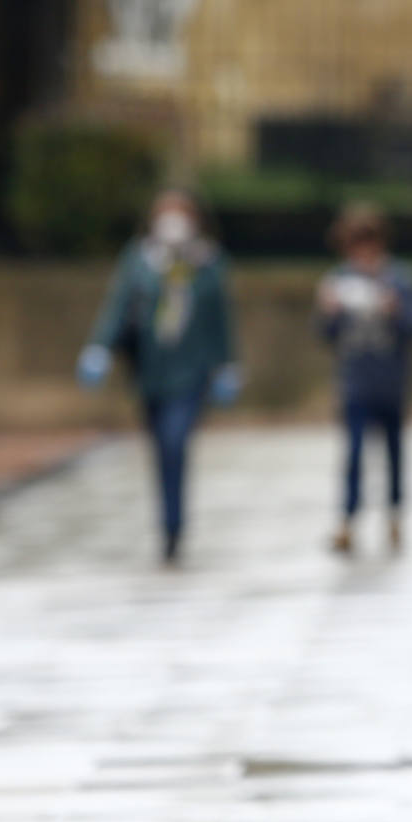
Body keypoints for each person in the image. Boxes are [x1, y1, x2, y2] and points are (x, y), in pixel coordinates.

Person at [77, 188, 239, 565]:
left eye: (180, 212)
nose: (173, 221)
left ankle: (174, 526)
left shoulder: (210, 263)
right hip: (151, 373)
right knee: (161, 449)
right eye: (165, 212)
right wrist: (98, 349)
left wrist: (228, 366)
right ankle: (168, 526)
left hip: (193, 371)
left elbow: (221, 321)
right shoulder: (139, 260)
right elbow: (117, 308)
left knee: (175, 441)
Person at [316, 202, 412, 553]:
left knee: (394, 451)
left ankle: (394, 515)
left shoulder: (400, 278)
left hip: (392, 382)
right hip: (355, 382)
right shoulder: (338, 280)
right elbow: (325, 333)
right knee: (353, 452)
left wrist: (396, 310)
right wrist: (329, 313)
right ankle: (348, 519)